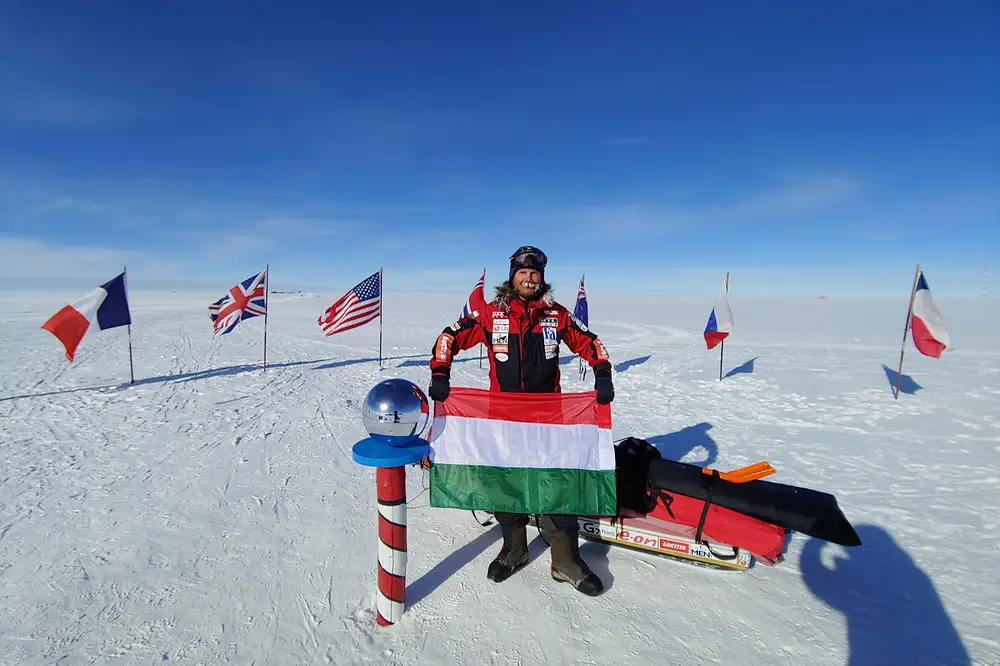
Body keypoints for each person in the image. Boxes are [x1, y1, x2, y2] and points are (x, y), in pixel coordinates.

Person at [428, 245, 615, 596]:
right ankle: (513, 550)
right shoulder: (490, 314)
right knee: (507, 486)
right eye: (523, 273)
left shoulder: (556, 315)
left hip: (549, 422)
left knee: (558, 485)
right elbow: (448, 337)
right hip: (504, 421)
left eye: (535, 274)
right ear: (512, 276)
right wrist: (441, 373)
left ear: (541, 280)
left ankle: (566, 562)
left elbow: (590, 342)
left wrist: (602, 374)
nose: (529, 279)